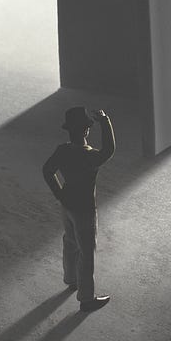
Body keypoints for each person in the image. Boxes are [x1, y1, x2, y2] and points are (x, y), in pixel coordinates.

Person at [41, 106, 114, 312]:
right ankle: (86, 298)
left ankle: (71, 279)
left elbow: (47, 171)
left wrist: (59, 193)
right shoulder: (90, 157)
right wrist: (104, 121)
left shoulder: (62, 150)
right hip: (85, 210)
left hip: (67, 204)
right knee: (86, 253)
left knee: (70, 242)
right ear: (86, 131)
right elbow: (109, 150)